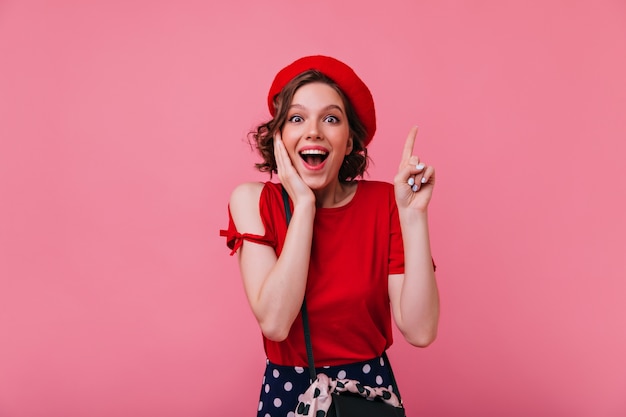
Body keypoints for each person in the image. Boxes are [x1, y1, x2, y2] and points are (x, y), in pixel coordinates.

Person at [220, 55, 439, 417]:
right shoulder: (252, 200)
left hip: (368, 396)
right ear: (279, 138)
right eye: (296, 118)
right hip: (288, 392)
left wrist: (413, 217)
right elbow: (275, 323)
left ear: (350, 142)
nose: (313, 131)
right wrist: (304, 205)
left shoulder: (386, 202)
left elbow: (420, 331)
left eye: (331, 119)